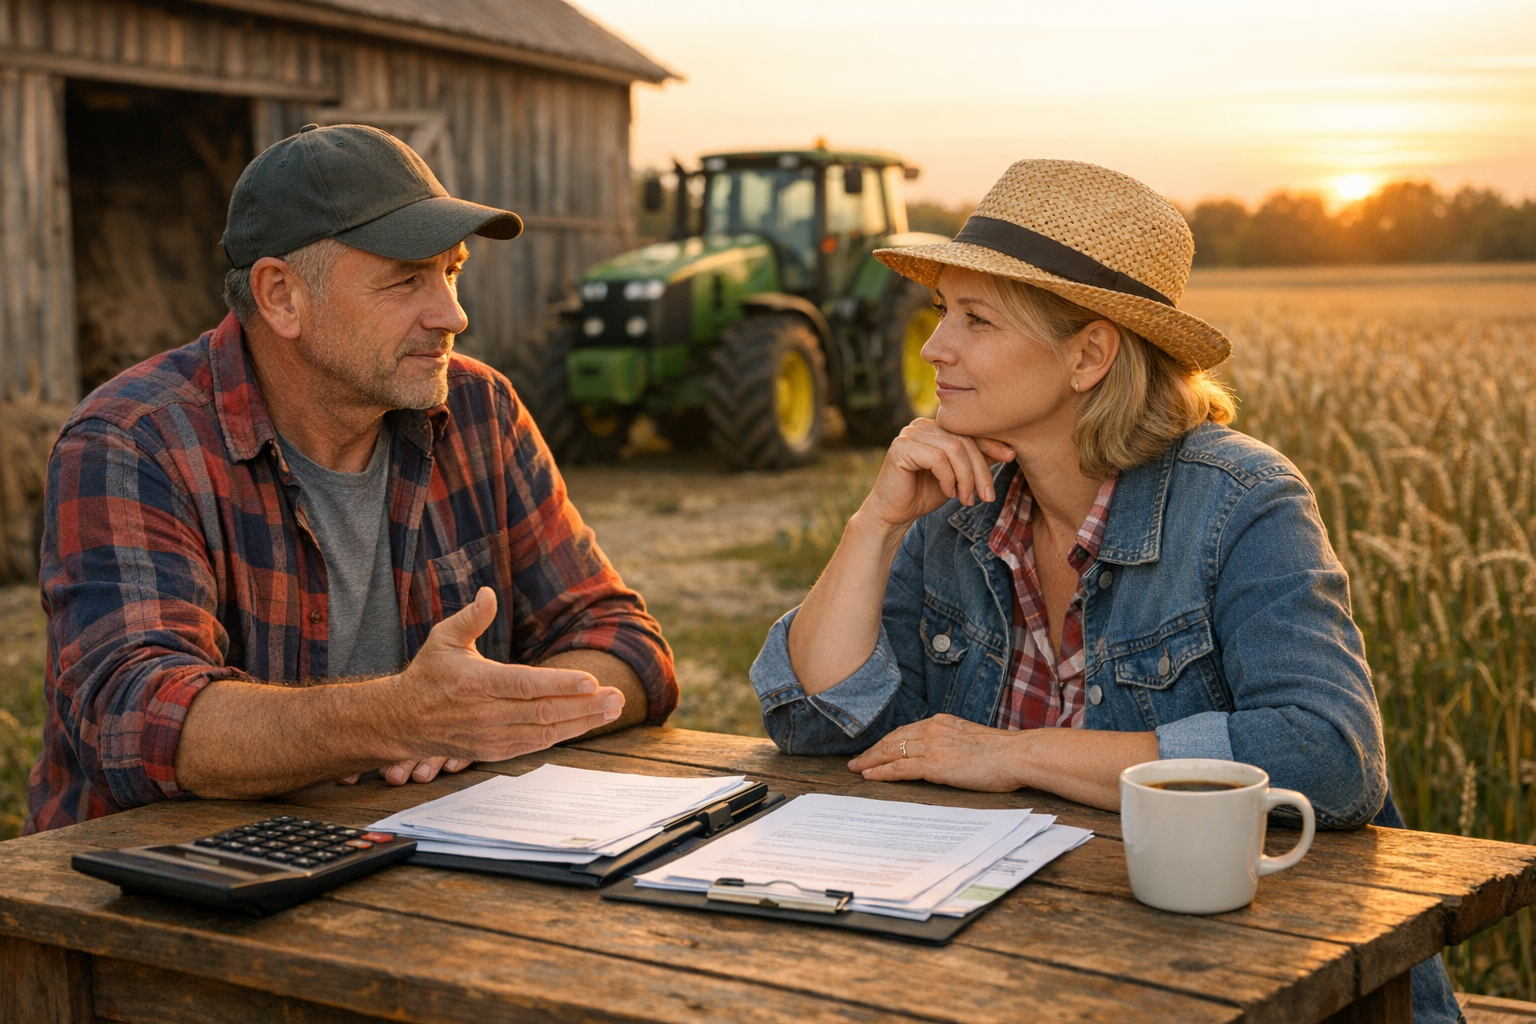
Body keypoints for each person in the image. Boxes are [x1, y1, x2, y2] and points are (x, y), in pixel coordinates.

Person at [748, 159, 1463, 1023]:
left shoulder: (1240, 503)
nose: (936, 347)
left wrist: (1013, 755)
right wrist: (876, 522)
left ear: (1089, 355)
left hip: (1266, 985)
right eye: (943, 312)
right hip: (1040, 973)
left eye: (977, 319)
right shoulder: (956, 508)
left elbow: (1330, 757)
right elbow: (819, 723)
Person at [27, 124, 677, 835]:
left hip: (422, 858)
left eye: (452, 272)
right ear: (282, 297)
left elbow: (624, 643)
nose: (453, 314)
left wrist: (487, 716)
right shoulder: (133, 440)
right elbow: (136, 718)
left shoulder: (479, 408)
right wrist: (400, 718)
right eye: (406, 280)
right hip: (160, 878)